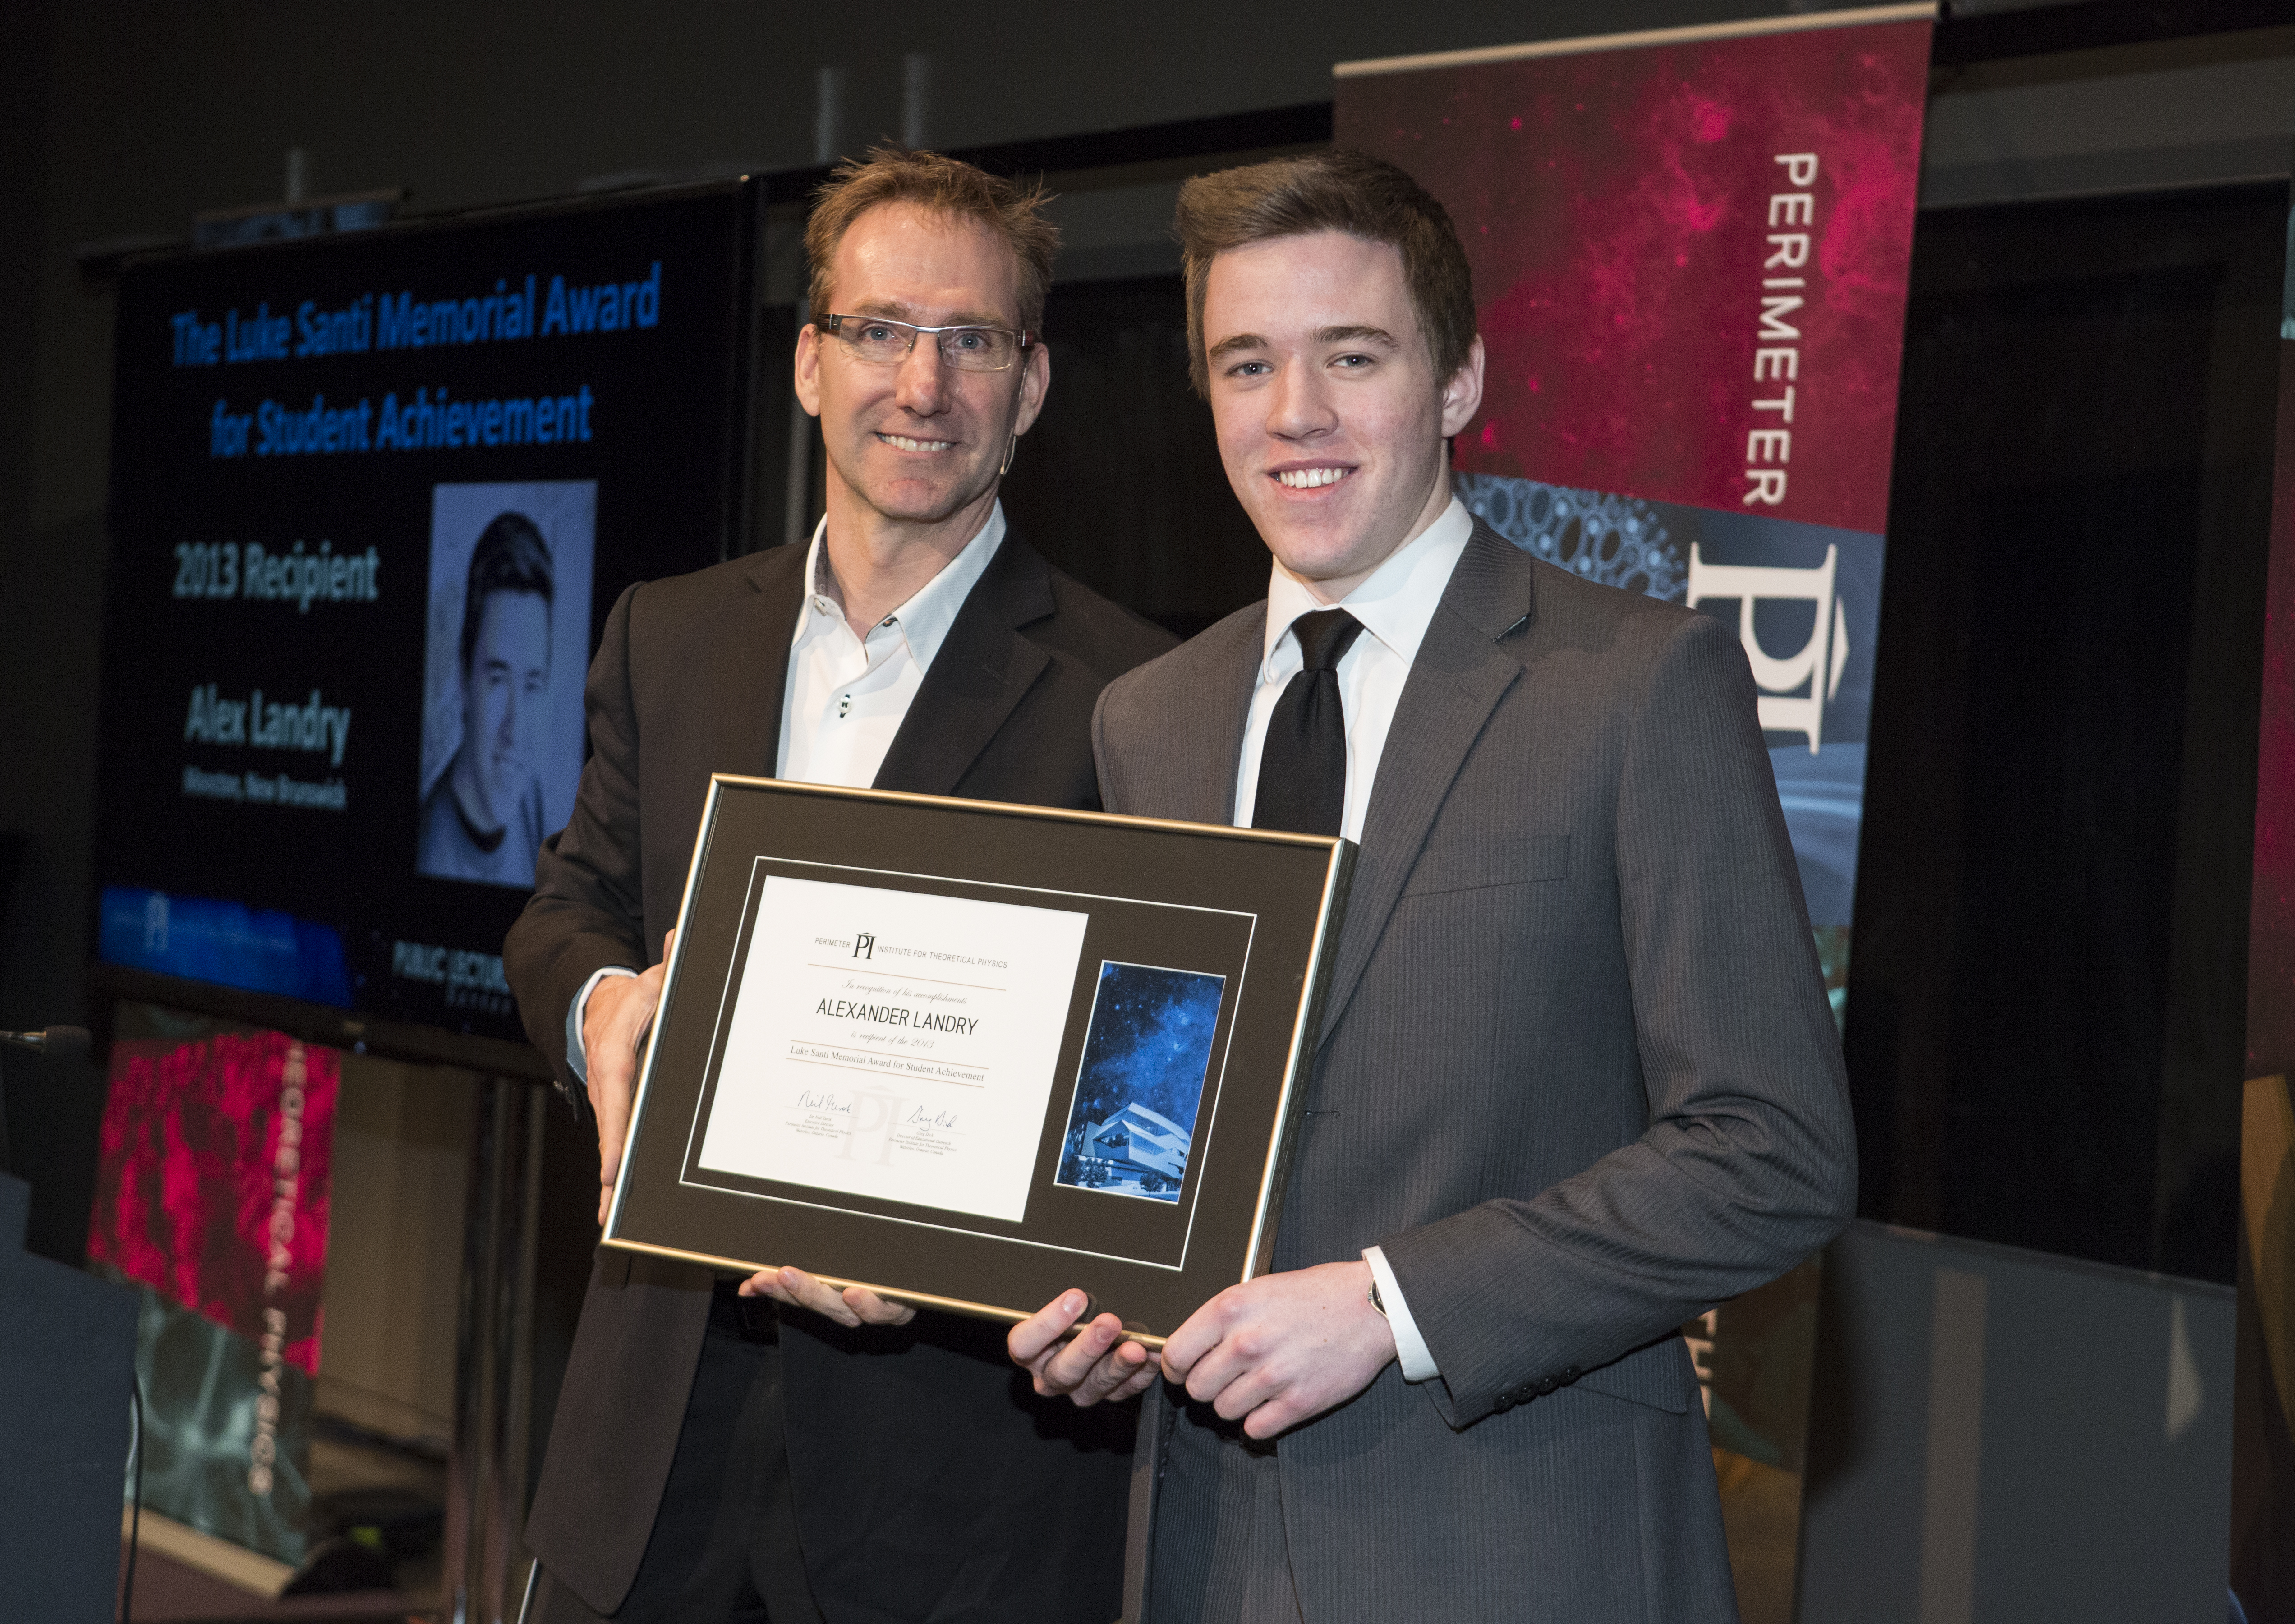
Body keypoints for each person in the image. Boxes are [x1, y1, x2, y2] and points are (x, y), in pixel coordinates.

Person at [1008, 148, 1856, 1621]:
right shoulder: (1149, 719)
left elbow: (1773, 1152)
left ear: (1459, 379)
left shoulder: (1636, 687)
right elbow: (1159, 1132)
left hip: (1519, 1546)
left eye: (1353, 356)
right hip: (1203, 1552)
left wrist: (1394, 1307)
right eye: (1246, 364)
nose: (1296, 417)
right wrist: (1099, 1306)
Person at [506, 146, 1172, 1624]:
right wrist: (605, 1007)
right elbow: (567, 911)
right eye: (879, 332)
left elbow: (1145, 1094)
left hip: (952, 1495)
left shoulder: (1138, 696)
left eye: (970, 342)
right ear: (810, 363)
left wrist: (980, 1249)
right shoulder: (667, 636)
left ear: (1033, 384)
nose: (920, 387)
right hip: (648, 1444)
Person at [419, 511, 555, 887]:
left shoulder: (530, 798)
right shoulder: (432, 853)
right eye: (497, 680)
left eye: (531, 685)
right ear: (463, 678)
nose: (515, 730)